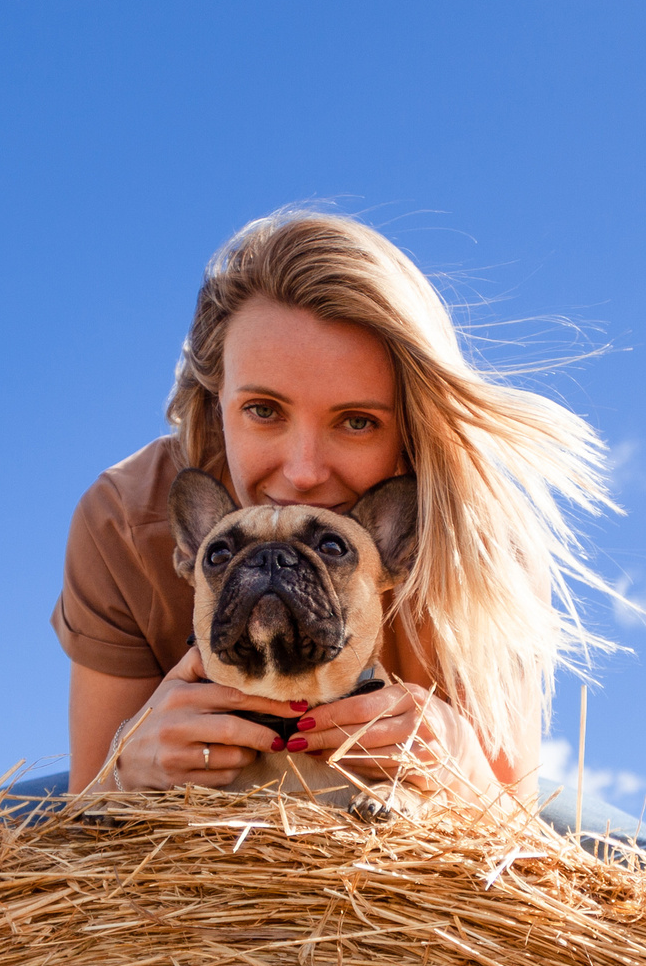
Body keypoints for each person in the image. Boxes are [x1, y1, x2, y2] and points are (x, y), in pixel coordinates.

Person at [56, 208, 613, 813]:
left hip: (409, 826)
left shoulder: (478, 543)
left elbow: (515, 835)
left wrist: (468, 778)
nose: (302, 472)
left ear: (412, 429)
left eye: (356, 422)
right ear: (215, 396)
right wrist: (126, 765)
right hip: (197, 844)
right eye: (264, 410)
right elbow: (87, 813)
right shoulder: (126, 520)